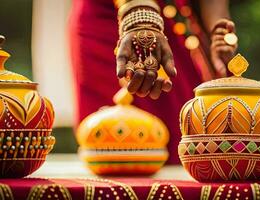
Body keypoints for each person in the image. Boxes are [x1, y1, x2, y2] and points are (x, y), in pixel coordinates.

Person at [69, 0, 238, 164]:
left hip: (173, 16)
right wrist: (139, 15)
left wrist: (218, 29)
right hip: (111, 14)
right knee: (115, 143)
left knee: (182, 127)